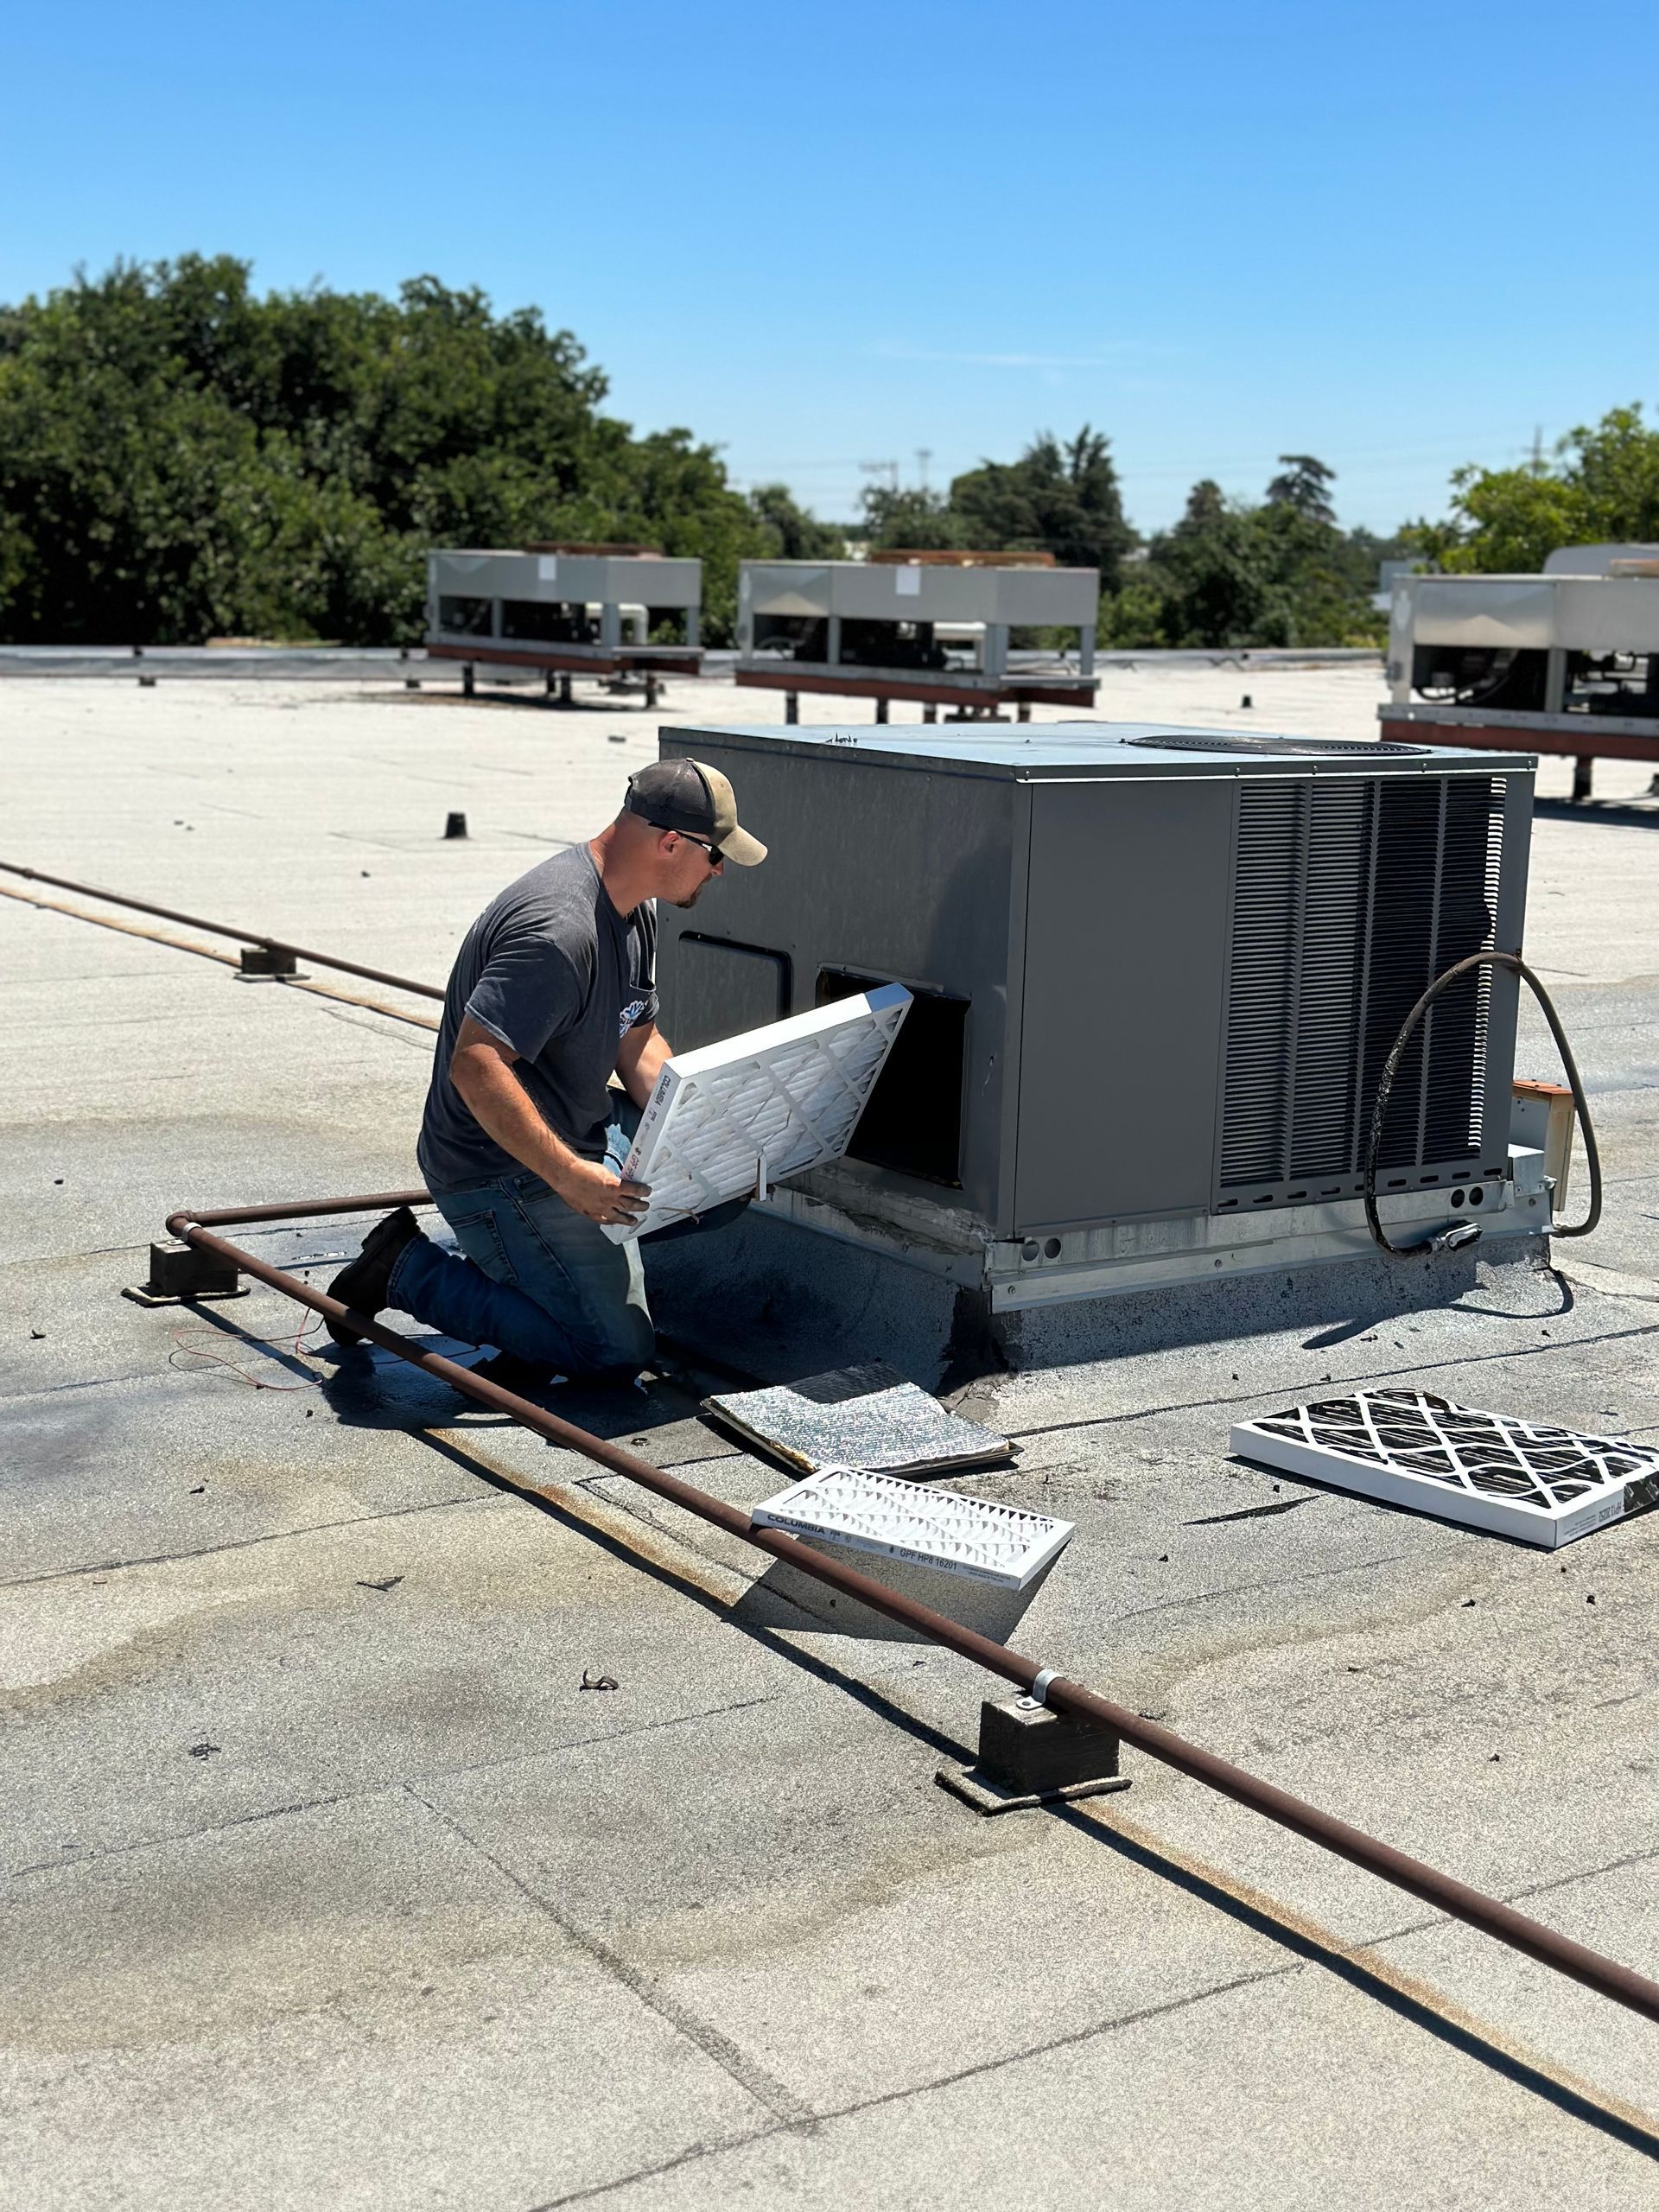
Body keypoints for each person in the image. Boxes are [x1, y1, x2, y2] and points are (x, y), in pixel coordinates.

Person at [325, 757, 766, 1384]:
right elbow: (476, 1067)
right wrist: (574, 1180)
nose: (719, 870)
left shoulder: (633, 904)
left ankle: (547, 1280)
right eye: (715, 856)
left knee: (716, 1197)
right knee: (616, 1355)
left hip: (576, 1128)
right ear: (671, 842)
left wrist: (703, 1130)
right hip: (495, 1166)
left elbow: (635, 1040)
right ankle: (406, 1269)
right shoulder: (559, 931)